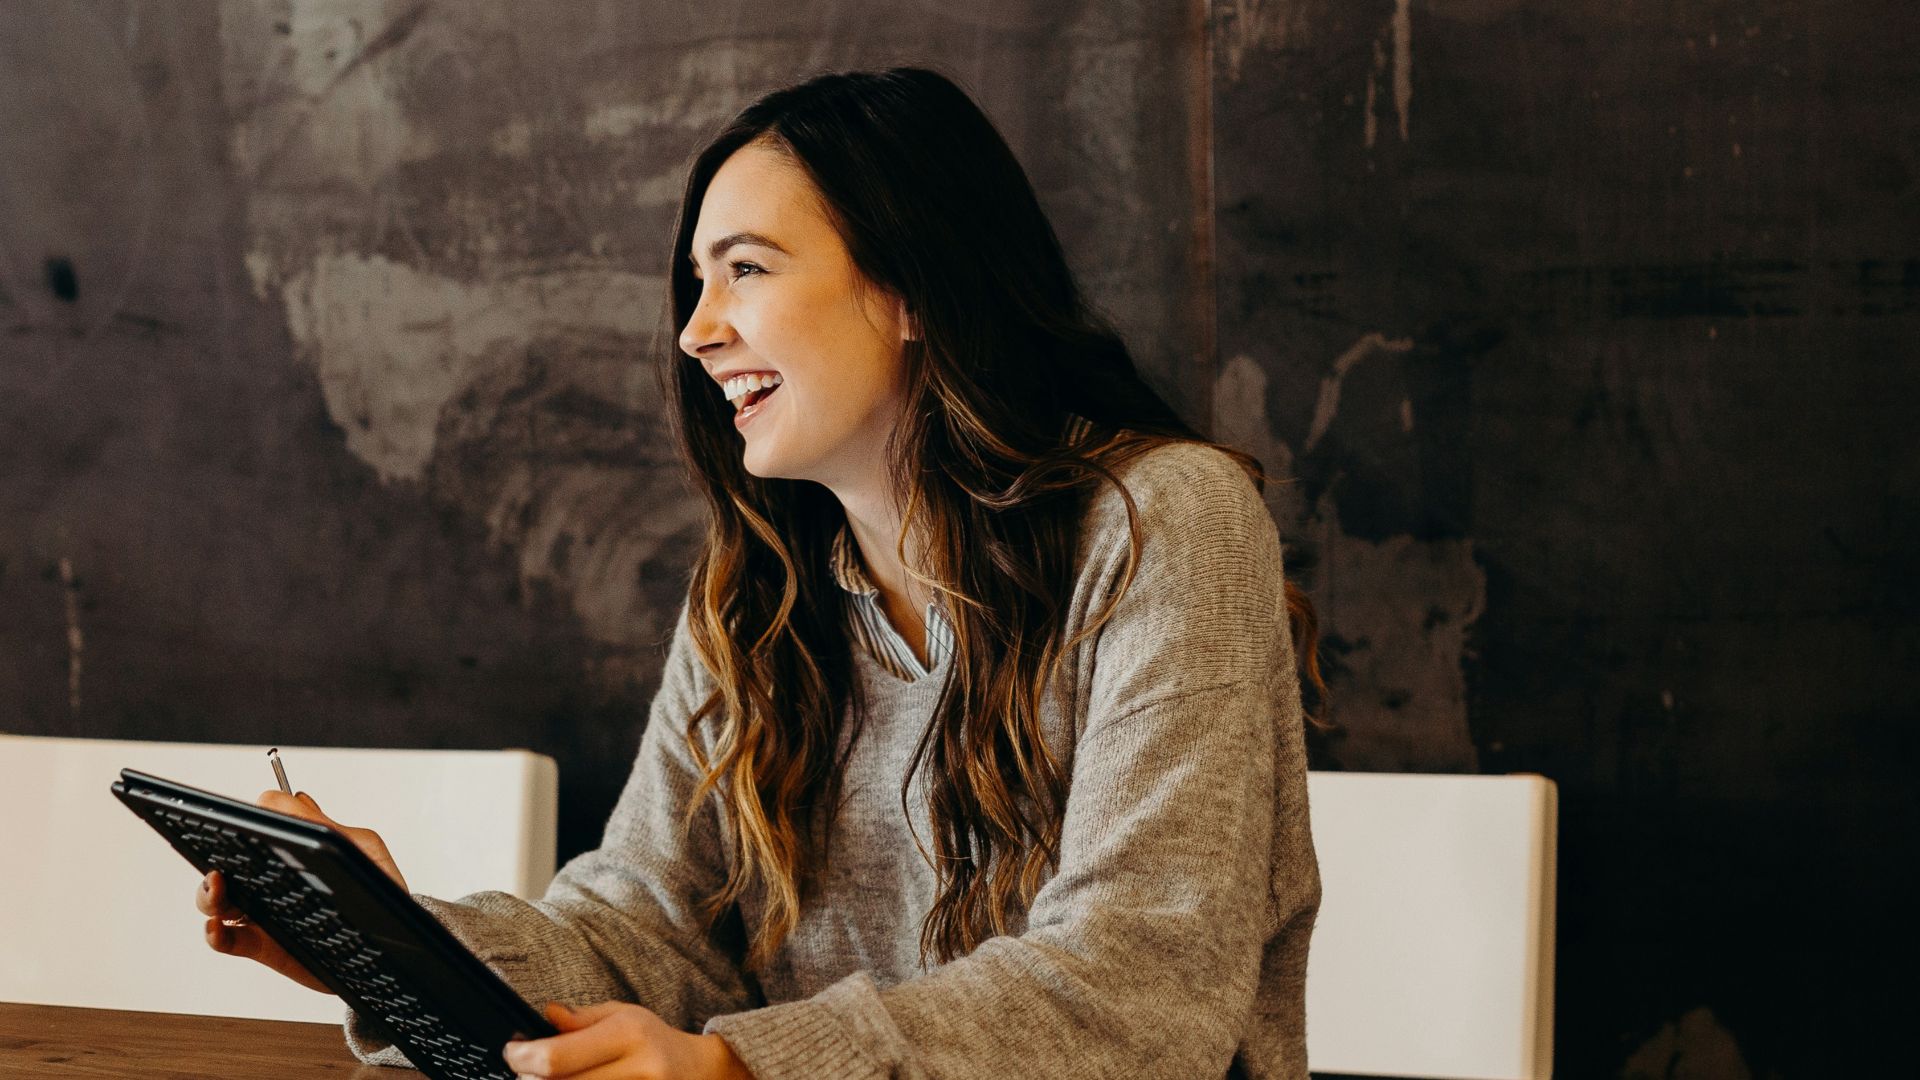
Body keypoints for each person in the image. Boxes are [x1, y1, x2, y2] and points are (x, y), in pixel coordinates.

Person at [194, 65, 1325, 1079]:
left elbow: (1141, 987)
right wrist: (393, 943)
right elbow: (644, 932)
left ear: (910, 289)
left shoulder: (1163, 522)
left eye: (745, 269)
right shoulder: (758, 591)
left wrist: (737, 1070)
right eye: (697, 281)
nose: (696, 331)